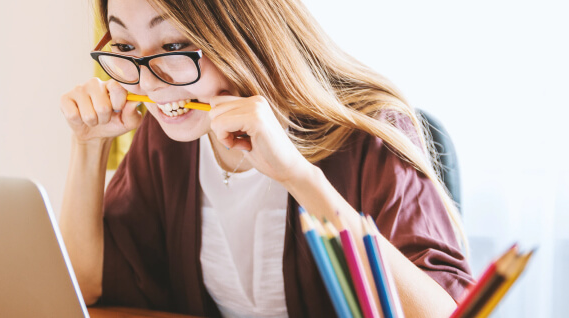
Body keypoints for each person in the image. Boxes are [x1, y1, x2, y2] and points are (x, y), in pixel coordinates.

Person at [58, 0, 473, 316]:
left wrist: (298, 177)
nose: (148, 83)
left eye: (174, 45)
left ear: (243, 34)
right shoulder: (167, 139)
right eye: (126, 46)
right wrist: (88, 145)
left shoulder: (369, 134)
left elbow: (442, 312)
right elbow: (86, 285)